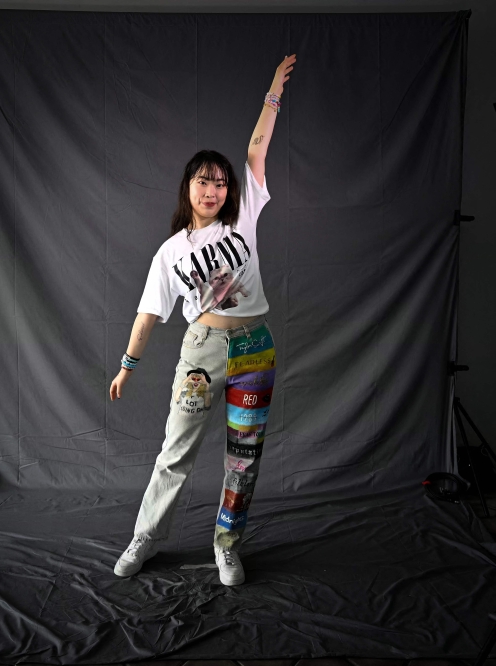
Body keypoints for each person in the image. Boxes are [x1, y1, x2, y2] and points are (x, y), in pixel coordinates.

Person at [108, 55, 297, 586]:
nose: (211, 190)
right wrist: (127, 366)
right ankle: (145, 538)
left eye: (219, 182)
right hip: (202, 353)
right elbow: (149, 314)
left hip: (256, 349)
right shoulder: (170, 253)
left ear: (229, 190)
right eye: (201, 181)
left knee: (243, 459)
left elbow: (256, 148)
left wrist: (273, 92)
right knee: (177, 452)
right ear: (187, 188)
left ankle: (227, 544)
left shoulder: (244, 217)